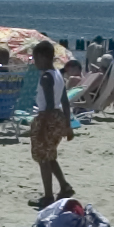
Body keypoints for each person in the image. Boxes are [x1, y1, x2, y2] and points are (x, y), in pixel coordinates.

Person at [27, 41, 74, 208]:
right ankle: (64, 186)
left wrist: (42, 128)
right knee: (50, 155)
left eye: (35, 58)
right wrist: (68, 125)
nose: (34, 62)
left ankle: (48, 196)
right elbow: (65, 101)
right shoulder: (58, 75)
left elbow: (47, 105)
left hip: (48, 118)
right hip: (59, 117)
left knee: (43, 159)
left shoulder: (46, 77)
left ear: (42, 57)